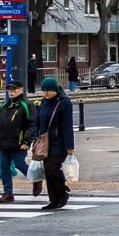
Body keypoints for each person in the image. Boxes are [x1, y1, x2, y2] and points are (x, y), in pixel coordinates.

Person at [31, 76, 74, 210]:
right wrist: (37, 136)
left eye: (48, 91)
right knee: (48, 171)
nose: (46, 93)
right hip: (45, 143)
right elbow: (40, 122)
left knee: (52, 168)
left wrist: (70, 146)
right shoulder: (44, 102)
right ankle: (54, 199)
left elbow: (67, 126)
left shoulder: (64, 102)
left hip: (58, 142)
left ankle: (62, 192)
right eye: (44, 91)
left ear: (55, 90)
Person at [0, 79, 34, 203]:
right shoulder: (4, 106)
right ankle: (8, 193)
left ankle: (35, 180)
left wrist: (27, 141)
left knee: (20, 164)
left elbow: (32, 124)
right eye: (10, 90)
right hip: (5, 144)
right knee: (4, 167)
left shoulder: (26, 105)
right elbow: (1, 125)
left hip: (18, 143)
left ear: (21, 90)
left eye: (14, 89)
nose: (12, 92)